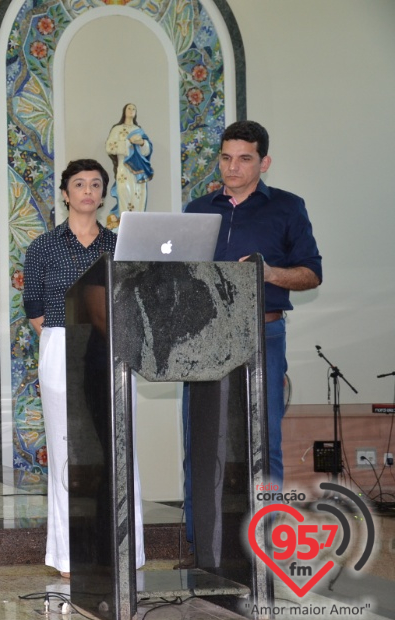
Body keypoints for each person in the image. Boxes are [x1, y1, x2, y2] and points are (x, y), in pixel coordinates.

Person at [181, 120, 322, 559]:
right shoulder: (196, 209)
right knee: (199, 443)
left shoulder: (287, 208)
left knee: (264, 442)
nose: (232, 167)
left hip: (264, 331)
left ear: (264, 161)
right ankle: (200, 545)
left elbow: (311, 273)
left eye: (244, 159)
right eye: (225, 158)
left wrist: (267, 274)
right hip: (203, 338)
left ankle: (268, 545)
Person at [22, 158, 145, 577]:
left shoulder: (118, 245)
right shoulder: (43, 247)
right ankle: (68, 554)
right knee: (66, 450)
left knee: (118, 447)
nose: (88, 191)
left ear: (104, 194)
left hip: (112, 349)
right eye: (79, 184)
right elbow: (34, 307)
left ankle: (124, 548)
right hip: (61, 347)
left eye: (96, 184)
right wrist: (68, 340)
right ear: (65, 193)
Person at [105, 103, 153, 217]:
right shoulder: (117, 129)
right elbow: (110, 146)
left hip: (138, 168)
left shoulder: (138, 130)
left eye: (134, 109)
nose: (131, 110)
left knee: (139, 195)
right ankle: (124, 221)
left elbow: (147, 150)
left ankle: (138, 222)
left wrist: (141, 143)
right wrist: (128, 142)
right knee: (124, 193)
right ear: (124, 111)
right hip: (124, 166)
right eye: (129, 108)